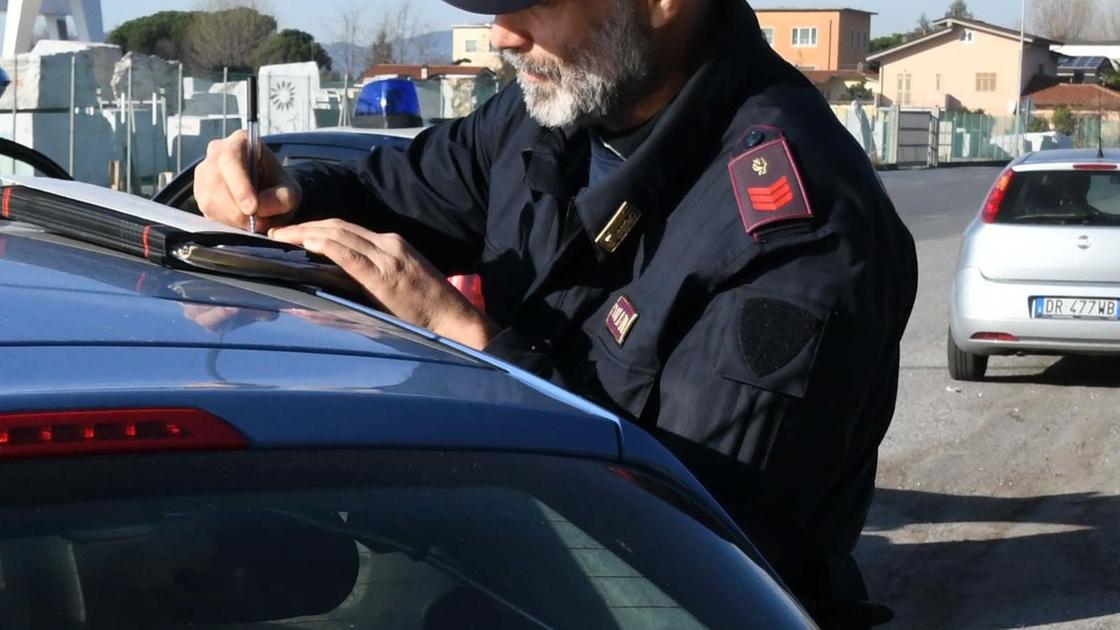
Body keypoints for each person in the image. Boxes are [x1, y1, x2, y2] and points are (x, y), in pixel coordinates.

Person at [195, 0, 918, 626]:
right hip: (524, 582)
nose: (502, 34)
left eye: (533, 2)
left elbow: (696, 553)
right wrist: (282, 189)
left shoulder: (797, 232)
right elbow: (399, 192)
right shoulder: (561, 109)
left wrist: (471, 346)